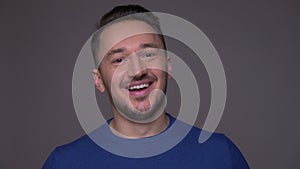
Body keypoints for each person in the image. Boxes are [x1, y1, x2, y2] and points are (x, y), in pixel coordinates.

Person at [42, 4, 250, 169]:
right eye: (119, 60)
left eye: (148, 54)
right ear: (99, 80)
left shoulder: (220, 154)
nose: (137, 70)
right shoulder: (64, 163)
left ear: (167, 66)